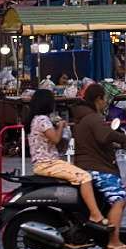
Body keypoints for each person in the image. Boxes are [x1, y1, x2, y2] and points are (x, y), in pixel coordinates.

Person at [67, 84, 126, 249]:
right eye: (104, 99)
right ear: (98, 99)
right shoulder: (93, 118)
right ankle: (114, 243)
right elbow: (107, 135)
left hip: (86, 165)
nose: (105, 103)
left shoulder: (82, 117)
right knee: (120, 199)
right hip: (97, 168)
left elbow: (98, 140)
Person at [25, 88, 105, 229]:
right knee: (85, 177)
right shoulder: (42, 120)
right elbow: (56, 139)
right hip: (48, 164)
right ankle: (95, 214)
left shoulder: (35, 120)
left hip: (46, 163)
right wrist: (61, 126)